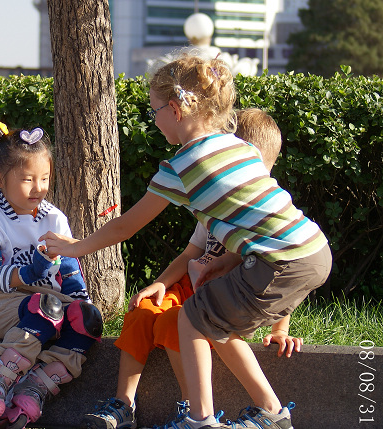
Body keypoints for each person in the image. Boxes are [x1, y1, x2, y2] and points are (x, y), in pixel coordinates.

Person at [40, 54, 332, 429]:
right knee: (215, 319)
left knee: (194, 317)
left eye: (154, 111)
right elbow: (256, 214)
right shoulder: (239, 148)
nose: (155, 119)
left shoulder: (182, 166)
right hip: (312, 250)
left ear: (175, 109)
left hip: (281, 261)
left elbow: (124, 227)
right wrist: (228, 261)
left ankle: (201, 420)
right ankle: (270, 413)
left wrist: (73, 247)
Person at [79, 108, 302, 429]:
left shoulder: (266, 205)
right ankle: (123, 405)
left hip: (227, 302)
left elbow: (281, 268)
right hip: (194, 288)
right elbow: (191, 254)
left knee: (175, 319)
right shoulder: (216, 202)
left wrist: (280, 330)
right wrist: (159, 284)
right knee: (143, 310)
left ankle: (192, 411)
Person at [0, 115, 103, 429]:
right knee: (48, 307)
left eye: (44, 178)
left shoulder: (54, 218)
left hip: (46, 302)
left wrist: (82, 307)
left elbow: (70, 269)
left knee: (87, 320)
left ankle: (36, 387)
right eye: (27, 179)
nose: (38, 188)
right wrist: (35, 269)